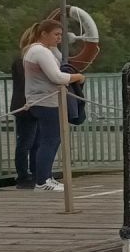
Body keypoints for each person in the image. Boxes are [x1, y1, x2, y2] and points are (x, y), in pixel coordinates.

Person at [20, 19, 85, 192]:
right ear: (44, 34)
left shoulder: (37, 50)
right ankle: (42, 181)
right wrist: (77, 77)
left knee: (47, 140)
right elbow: (57, 77)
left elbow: (57, 61)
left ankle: (45, 177)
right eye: (56, 35)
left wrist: (54, 46)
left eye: (61, 35)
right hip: (46, 102)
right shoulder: (40, 51)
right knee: (50, 140)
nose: (59, 38)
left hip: (40, 101)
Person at [10, 25, 37, 189]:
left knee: (32, 141)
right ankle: (23, 176)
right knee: (25, 142)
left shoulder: (20, 61)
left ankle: (33, 173)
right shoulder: (22, 62)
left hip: (28, 104)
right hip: (25, 106)